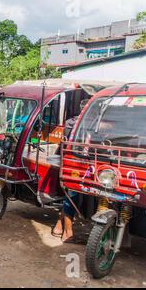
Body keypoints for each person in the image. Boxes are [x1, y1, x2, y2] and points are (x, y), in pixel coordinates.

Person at [52, 99, 89, 243]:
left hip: (71, 163)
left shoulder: (70, 122)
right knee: (71, 196)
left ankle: (59, 226)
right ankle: (68, 232)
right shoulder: (79, 124)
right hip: (75, 164)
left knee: (71, 195)